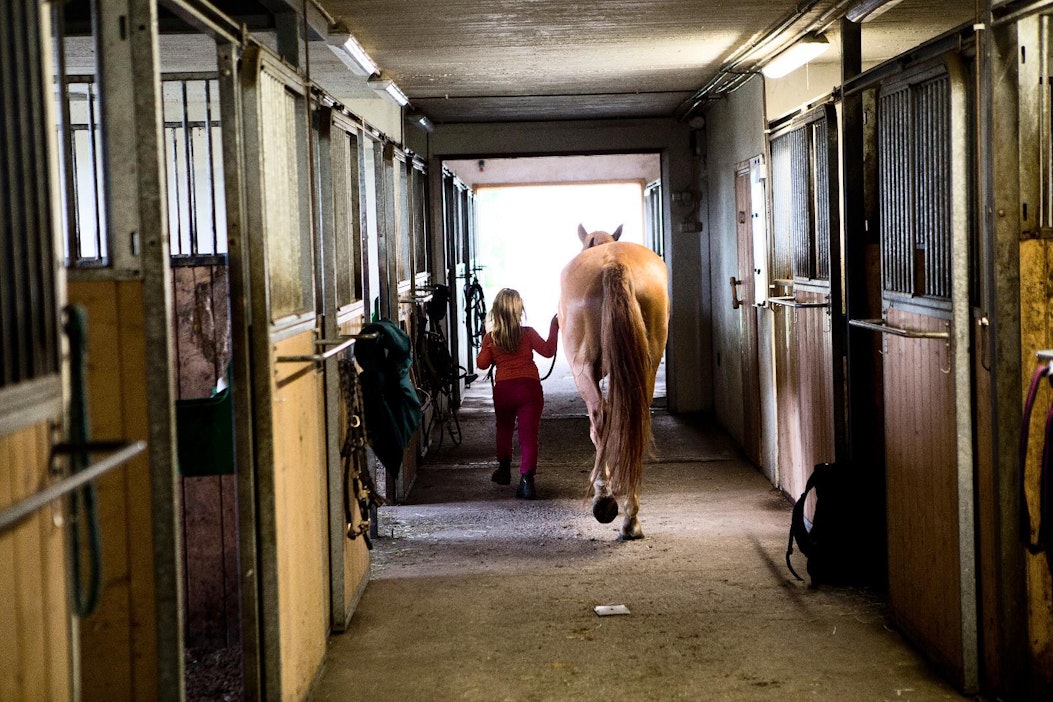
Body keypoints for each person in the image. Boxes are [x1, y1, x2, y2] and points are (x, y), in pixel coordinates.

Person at [475, 288, 559, 499]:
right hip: (529, 389)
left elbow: (482, 364)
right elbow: (548, 350)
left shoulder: (492, 338)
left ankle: (504, 470)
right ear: (519, 310)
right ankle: (527, 480)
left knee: (503, 428)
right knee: (529, 436)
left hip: (504, 390)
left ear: (496, 311)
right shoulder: (528, 333)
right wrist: (554, 325)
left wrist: (487, 343)